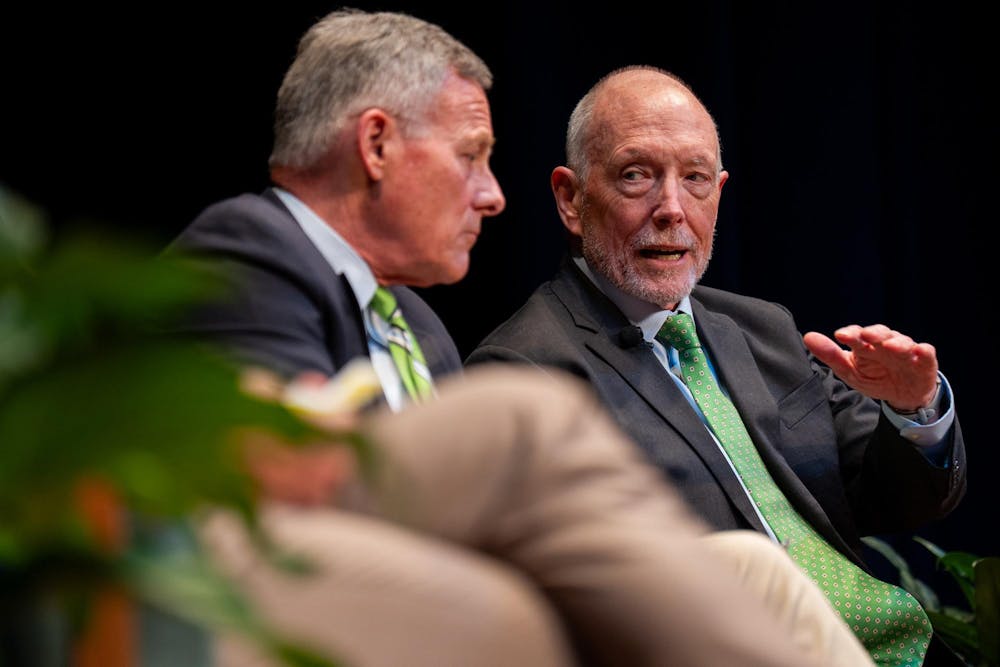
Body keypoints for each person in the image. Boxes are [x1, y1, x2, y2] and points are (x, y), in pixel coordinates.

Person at [166, 12, 875, 667]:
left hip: (434, 577)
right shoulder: (251, 251)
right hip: (281, 588)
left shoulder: (421, 328)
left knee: (756, 570)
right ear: (377, 144)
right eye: (470, 156)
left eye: (696, 179)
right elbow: (277, 478)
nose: (492, 194)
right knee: (521, 419)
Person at [466, 65, 968, 666]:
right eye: (636, 176)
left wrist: (913, 411)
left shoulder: (763, 329)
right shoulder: (524, 372)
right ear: (571, 199)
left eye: (695, 179)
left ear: (719, 193)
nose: (672, 209)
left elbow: (893, 498)